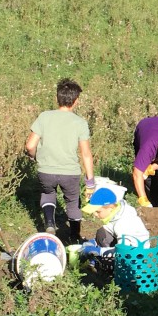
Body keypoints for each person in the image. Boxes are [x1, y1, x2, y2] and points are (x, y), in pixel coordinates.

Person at [25, 78, 95, 242]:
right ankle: (75, 236)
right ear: (76, 101)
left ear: (57, 98)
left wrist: (33, 156)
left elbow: (30, 145)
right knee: (72, 201)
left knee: (48, 193)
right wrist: (90, 181)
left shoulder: (44, 117)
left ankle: (50, 223)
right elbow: (86, 154)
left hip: (46, 170)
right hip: (70, 173)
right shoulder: (80, 123)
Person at [81, 184, 150, 256]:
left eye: (98, 212)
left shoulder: (123, 222)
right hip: (125, 247)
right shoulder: (115, 215)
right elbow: (107, 230)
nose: (95, 214)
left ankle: (106, 259)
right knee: (101, 232)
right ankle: (103, 256)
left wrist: (99, 251)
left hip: (135, 254)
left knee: (103, 236)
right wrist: (93, 242)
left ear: (110, 208)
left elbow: (122, 251)